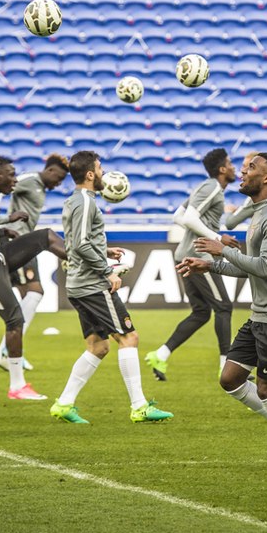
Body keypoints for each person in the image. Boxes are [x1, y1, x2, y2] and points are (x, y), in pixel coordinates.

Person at [177, 152, 267, 471]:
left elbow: (265, 268)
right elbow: (251, 269)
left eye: (251, 167)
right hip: (260, 315)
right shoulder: (258, 213)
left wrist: (222, 249)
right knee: (231, 378)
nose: (242, 170)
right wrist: (210, 266)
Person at [49, 150, 173, 425]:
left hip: (79, 284)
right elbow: (80, 245)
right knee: (129, 338)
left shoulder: (76, 200)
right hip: (92, 284)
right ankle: (139, 406)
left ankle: (64, 403)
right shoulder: (84, 202)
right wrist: (106, 271)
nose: (104, 173)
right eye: (101, 169)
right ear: (91, 174)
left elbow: (77, 242)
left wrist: (104, 249)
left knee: (98, 346)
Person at [0, 156, 69, 400]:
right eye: (11, 174)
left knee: (46, 237)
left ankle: (79, 259)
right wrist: (7, 220)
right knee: (17, 315)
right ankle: (14, 379)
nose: (15, 179)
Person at [146, 147, 238, 381]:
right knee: (224, 307)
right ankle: (226, 366)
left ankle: (160, 354)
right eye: (230, 163)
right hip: (200, 258)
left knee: (201, 313)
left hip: (185, 253)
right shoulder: (212, 187)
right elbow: (187, 218)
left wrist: (206, 231)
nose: (234, 167)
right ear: (221, 169)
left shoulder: (202, 186)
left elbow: (178, 215)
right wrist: (218, 238)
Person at [0, 154, 70, 372]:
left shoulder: (40, 188)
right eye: (59, 178)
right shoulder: (29, 180)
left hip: (23, 242)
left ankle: (12, 350)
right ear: (50, 171)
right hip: (18, 242)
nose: (59, 183)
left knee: (30, 297)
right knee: (35, 293)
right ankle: (5, 350)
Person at [224, 152, 267, 230]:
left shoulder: (258, 197)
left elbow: (229, 223)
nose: (242, 170)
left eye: (248, 167)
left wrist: (228, 211)